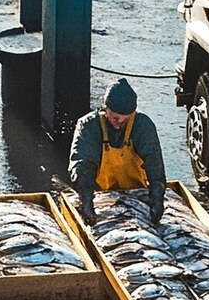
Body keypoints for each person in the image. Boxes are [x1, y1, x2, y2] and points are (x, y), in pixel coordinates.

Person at [67, 77, 167, 226]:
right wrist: (86, 201)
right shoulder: (88, 126)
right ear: (105, 108)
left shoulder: (142, 125)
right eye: (115, 119)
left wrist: (157, 198)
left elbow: (154, 163)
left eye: (124, 120)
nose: (119, 124)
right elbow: (82, 164)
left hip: (137, 193)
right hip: (101, 195)